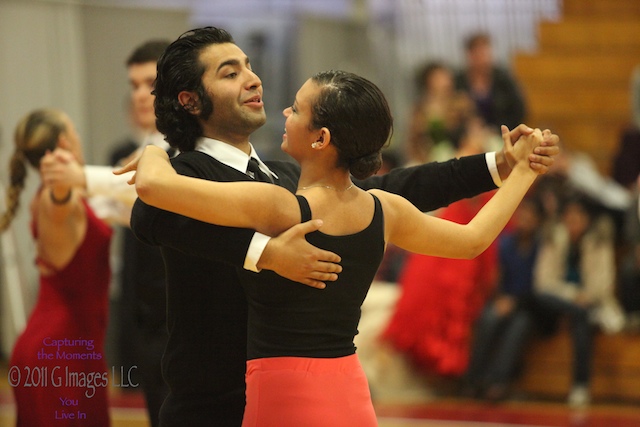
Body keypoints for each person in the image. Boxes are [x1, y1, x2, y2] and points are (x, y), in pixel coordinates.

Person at [119, 27, 559, 426]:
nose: (254, 80)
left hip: (280, 396)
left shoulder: (282, 183)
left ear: (323, 139)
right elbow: (149, 214)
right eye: (231, 73)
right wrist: (263, 254)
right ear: (191, 100)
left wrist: (496, 165)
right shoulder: (192, 173)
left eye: (250, 68)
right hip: (214, 407)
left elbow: (396, 187)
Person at [1, 109, 111, 426]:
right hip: (59, 354)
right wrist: (61, 186)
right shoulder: (55, 198)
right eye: (73, 130)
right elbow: (59, 202)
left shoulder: (71, 192)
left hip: (68, 348)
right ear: (64, 140)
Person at [533, 195, 625, 407]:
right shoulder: (554, 237)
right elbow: (543, 282)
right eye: (569, 215)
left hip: (590, 304)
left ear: (588, 218)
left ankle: (580, 386)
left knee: (581, 321)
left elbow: (603, 285)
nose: (573, 220)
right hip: (557, 303)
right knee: (556, 304)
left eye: (578, 215)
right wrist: (574, 296)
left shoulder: (599, 240)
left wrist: (585, 298)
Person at [462, 196, 544, 401]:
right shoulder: (505, 242)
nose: (524, 218)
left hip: (530, 306)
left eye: (530, 215)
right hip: (503, 300)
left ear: (539, 220)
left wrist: (515, 303)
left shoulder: (543, 246)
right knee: (489, 318)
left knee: (518, 326)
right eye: (522, 213)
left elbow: (541, 285)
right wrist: (499, 299)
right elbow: (495, 276)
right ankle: (473, 379)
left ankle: (497, 383)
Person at [405, 61, 476, 164]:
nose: (445, 81)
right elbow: (413, 142)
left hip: (462, 153)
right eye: (438, 78)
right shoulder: (419, 110)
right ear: (428, 82)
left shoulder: (461, 102)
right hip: (429, 158)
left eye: (446, 76)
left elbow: (473, 127)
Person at [454, 32, 527, 132]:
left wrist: (498, 130)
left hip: (502, 132)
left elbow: (519, 110)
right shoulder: (459, 81)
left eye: (484, 52)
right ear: (469, 55)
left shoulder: (503, 78)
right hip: (469, 134)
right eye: (476, 53)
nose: (481, 58)